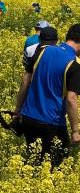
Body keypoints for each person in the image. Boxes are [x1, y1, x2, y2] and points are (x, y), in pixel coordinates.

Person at [12, 23, 80, 168]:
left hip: (28, 118)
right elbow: (71, 99)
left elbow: (25, 81)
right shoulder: (74, 63)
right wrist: (75, 131)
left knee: (33, 163)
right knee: (57, 167)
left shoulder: (42, 51)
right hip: (51, 123)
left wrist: (18, 110)